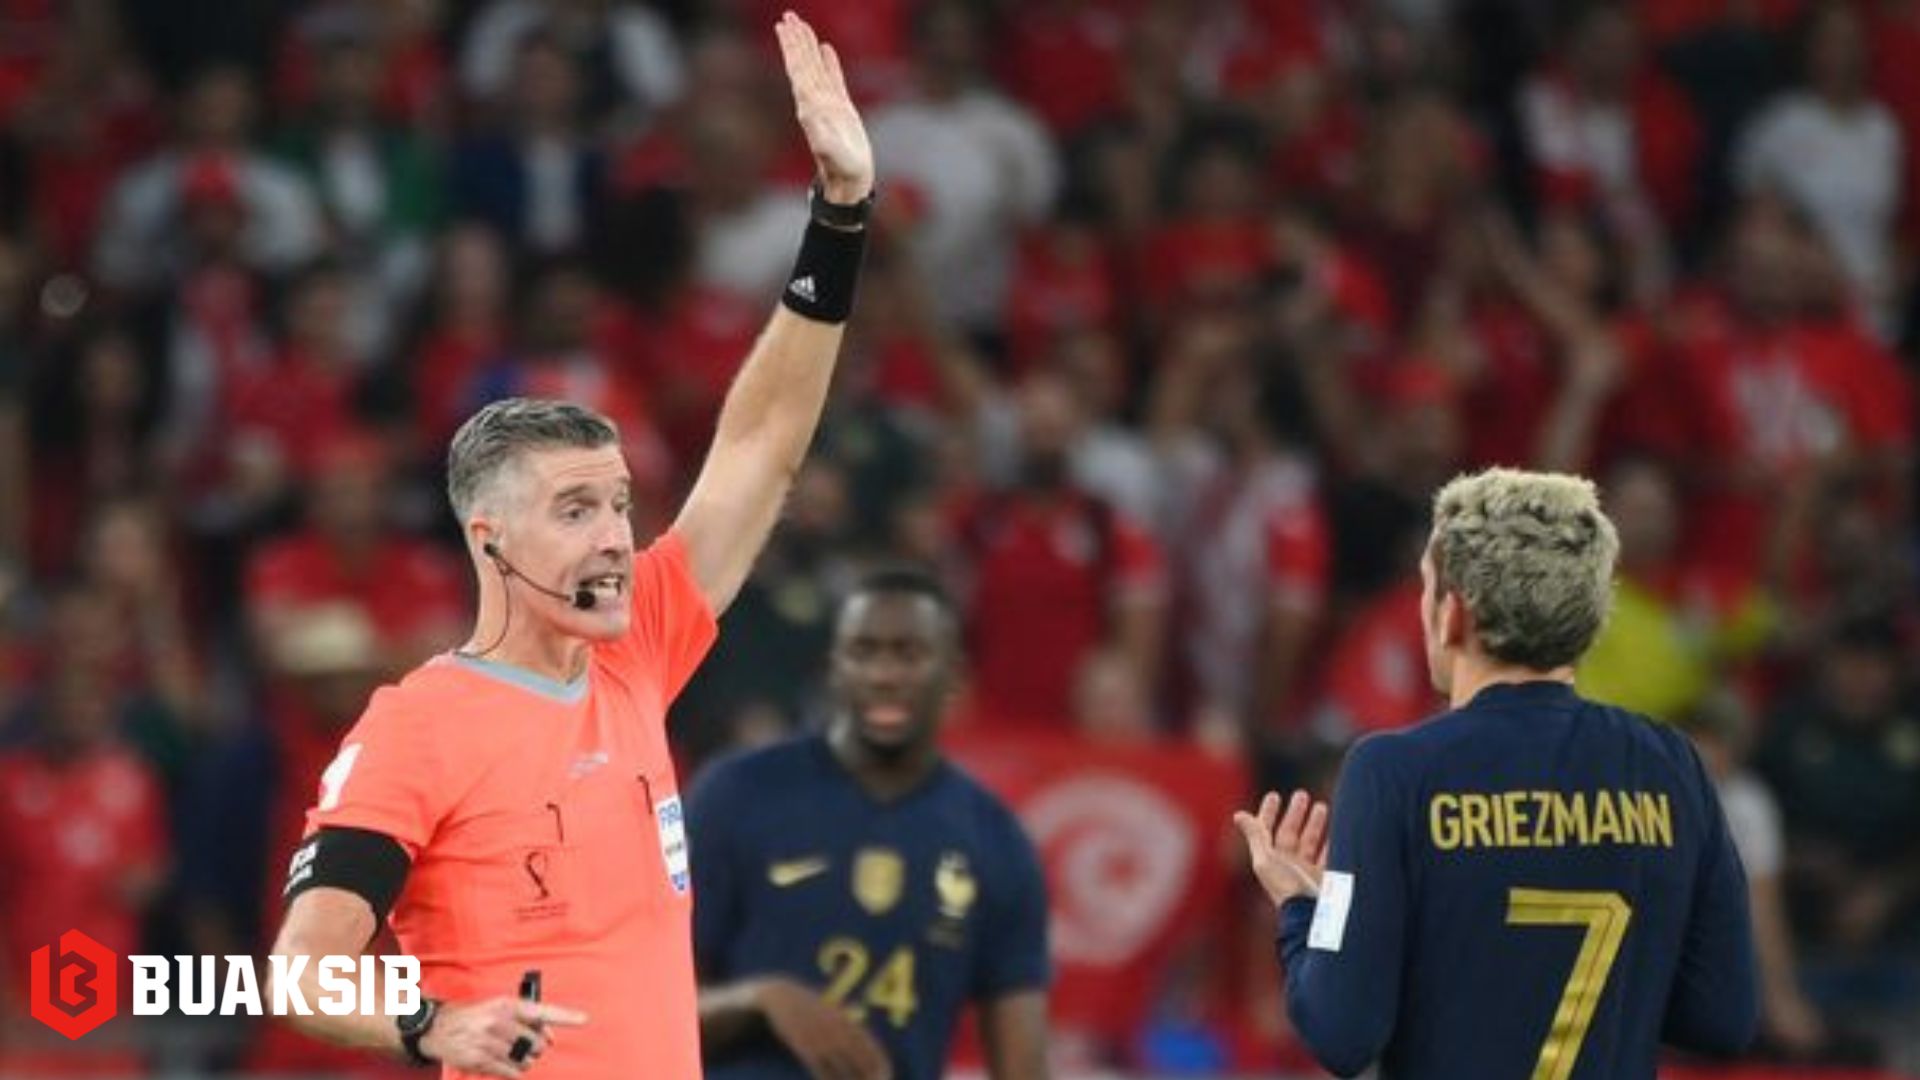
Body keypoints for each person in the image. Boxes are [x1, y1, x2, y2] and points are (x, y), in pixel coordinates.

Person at [266, 13, 877, 1079]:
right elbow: (300, 972)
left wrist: (839, 217)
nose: (613, 539)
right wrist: (431, 1026)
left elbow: (761, 447)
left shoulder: (635, 648)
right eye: (575, 510)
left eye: (621, 505)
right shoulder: (420, 724)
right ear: (489, 540)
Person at [1233, 468, 1759, 1078]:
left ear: (1453, 613)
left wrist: (1306, 909)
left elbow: (1341, 1032)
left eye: (1426, 587)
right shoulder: (1671, 765)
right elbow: (1721, 1018)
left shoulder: (1394, 772)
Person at [690, 569, 1051, 1080]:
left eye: (909, 654)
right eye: (863, 652)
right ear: (833, 669)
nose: (884, 674)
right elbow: (642, 1008)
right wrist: (761, 999)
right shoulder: (736, 794)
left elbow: (1023, 1066)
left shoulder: (996, 841)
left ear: (954, 675)